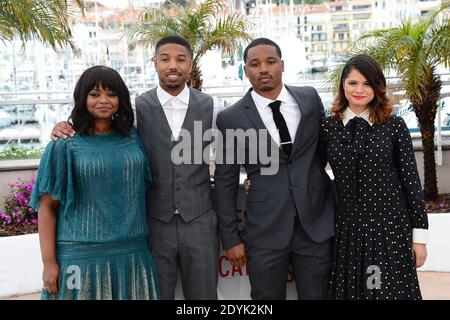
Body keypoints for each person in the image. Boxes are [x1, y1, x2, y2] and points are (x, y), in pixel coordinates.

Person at [50, 36, 222, 300]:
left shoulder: (213, 107)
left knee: (204, 298)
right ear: (154, 63)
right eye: (165, 59)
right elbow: (101, 131)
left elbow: (226, 159)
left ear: (190, 64)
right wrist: (63, 125)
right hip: (153, 223)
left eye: (180, 59)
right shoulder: (136, 110)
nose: (172, 65)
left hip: (200, 222)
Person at [214, 38, 336, 300]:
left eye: (270, 62)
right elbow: (225, 181)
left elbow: (326, 150)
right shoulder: (230, 118)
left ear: (282, 64)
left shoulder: (309, 98)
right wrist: (231, 238)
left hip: (315, 225)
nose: (263, 69)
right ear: (245, 70)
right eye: (254, 64)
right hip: (264, 231)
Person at [30, 66, 160, 300]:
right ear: (82, 98)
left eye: (111, 94)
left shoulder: (134, 139)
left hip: (132, 254)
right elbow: (47, 207)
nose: (103, 100)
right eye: (94, 94)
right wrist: (48, 262)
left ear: (121, 99)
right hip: (79, 258)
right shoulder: (64, 145)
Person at [320, 54, 428, 300]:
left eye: (367, 83)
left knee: (383, 291)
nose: (360, 90)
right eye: (353, 83)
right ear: (343, 85)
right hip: (348, 231)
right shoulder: (327, 127)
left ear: (378, 87)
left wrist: (419, 238)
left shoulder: (394, 125)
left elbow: (411, 182)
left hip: (389, 229)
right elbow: (311, 172)